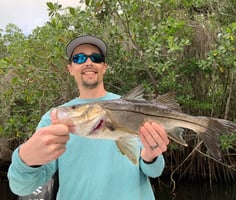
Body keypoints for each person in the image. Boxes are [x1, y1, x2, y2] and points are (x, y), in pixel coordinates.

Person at [8, 35, 170, 200]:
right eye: (79, 58)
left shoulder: (132, 110)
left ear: (104, 67)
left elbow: (155, 171)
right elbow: (21, 187)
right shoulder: (54, 118)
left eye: (96, 57)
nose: (88, 62)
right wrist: (25, 160)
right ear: (70, 68)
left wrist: (151, 156)